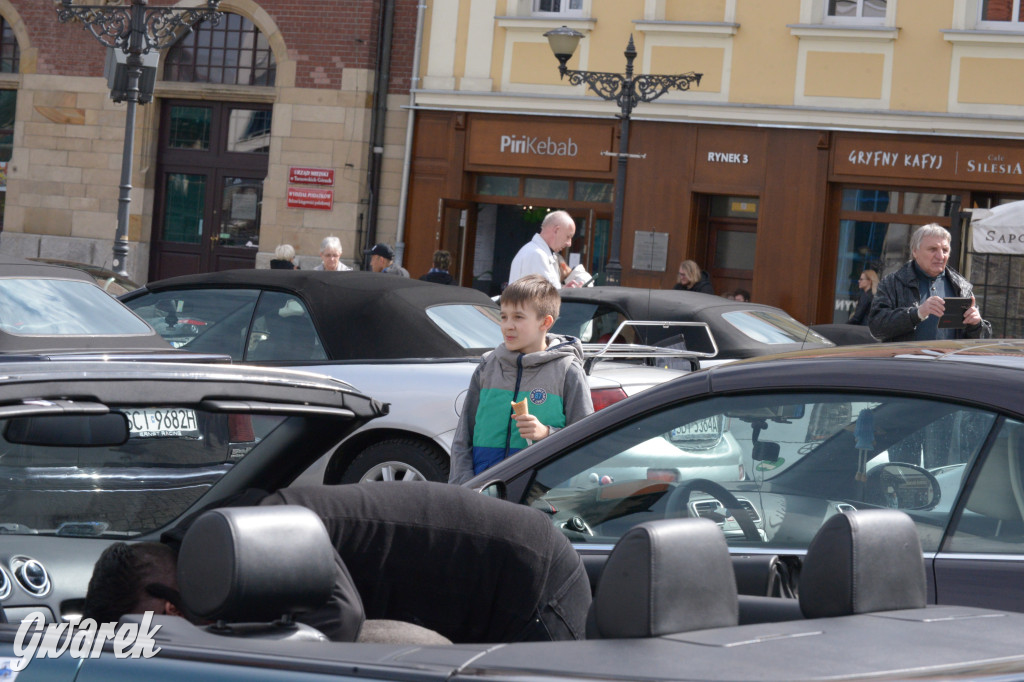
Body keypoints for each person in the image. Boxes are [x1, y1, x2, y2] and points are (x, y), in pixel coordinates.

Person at [82, 482, 591, 644]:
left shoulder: (266, 531)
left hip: (532, 579)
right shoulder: (232, 539)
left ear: (165, 607)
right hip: (498, 581)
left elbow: (342, 621)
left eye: (156, 627)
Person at [448, 274, 594, 485]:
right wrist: (464, 484)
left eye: (518, 317)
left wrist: (546, 433)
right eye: (504, 316)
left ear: (545, 322)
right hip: (482, 491)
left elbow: (586, 439)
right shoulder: (487, 366)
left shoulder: (567, 371)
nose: (508, 325)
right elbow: (463, 438)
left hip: (538, 495)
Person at [868, 223, 992, 342]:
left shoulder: (961, 286)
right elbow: (876, 328)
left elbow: (981, 340)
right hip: (906, 362)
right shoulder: (893, 282)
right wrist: (917, 313)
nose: (940, 256)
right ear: (915, 252)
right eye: (933, 249)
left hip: (947, 363)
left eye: (945, 250)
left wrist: (976, 325)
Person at [508, 210, 578, 289]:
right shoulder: (536, 254)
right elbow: (539, 298)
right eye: (568, 237)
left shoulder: (538, 252)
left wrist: (564, 291)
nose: (569, 243)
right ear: (556, 230)